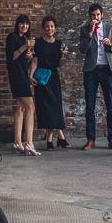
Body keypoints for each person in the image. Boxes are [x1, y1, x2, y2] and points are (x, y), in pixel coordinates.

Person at [79, 3, 112, 150]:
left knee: (111, 106)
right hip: (91, 71)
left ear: (102, 15)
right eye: (92, 15)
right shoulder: (85, 30)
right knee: (90, 106)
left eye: (97, 15)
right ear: (89, 17)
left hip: (107, 70)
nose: (95, 17)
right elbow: (83, 49)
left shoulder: (110, 29)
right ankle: (91, 140)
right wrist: (90, 33)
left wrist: (111, 45)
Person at [5, 14, 40, 156]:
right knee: (30, 107)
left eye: (26, 24)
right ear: (17, 24)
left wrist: (28, 56)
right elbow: (11, 57)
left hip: (22, 74)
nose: (24, 26)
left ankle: (17, 143)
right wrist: (25, 46)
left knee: (20, 109)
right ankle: (29, 144)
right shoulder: (12, 37)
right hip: (17, 76)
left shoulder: (24, 39)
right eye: (21, 23)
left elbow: (22, 60)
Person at [34, 16, 70, 149]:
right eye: (47, 26)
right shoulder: (38, 43)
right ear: (44, 28)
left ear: (55, 28)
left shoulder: (58, 43)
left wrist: (63, 55)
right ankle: (60, 137)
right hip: (42, 77)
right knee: (48, 107)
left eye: (52, 26)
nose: (50, 29)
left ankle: (51, 139)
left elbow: (60, 64)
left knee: (55, 106)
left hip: (53, 77)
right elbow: (35, 60)